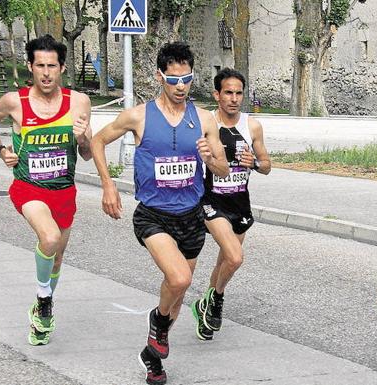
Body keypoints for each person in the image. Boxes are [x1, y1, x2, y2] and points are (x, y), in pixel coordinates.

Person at [90, 41, 228, 385]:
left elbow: (223, 169)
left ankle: (152, 355)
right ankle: (157, 322)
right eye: (173, 80)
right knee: (180, 279)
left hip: (192, 216)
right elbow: (97, 141)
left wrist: (211, 158)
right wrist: (108, 185)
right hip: (153, 216)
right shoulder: (138, 115)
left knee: (178, 296)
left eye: (187, 80)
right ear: (159, 76)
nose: (181, 87)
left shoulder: (205, 118)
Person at [0, 34, 92, 346]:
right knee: (50, 238)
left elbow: (86, 153)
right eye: (40, 65)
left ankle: (42, 313)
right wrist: (1, 150)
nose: (45, 72)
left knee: (56, 259)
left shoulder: (78, 102)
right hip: (29, 188)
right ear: (30, 67)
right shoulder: (16, 102)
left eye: (51, 66)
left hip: (64, 191)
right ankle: (44, 299)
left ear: (62, 68)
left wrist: (82, 138)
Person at [190, 68, 271, 341]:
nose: (234, 99)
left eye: (238, 93)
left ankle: (206, 305)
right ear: (217, 94)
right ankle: (218, 299)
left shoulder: (252, 126)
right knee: (235, 256)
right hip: (212, 201)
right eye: (228, 93)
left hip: (240, 202)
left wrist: (255, 164)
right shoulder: (207, 123)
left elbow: (267, 164)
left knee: (226, 260)